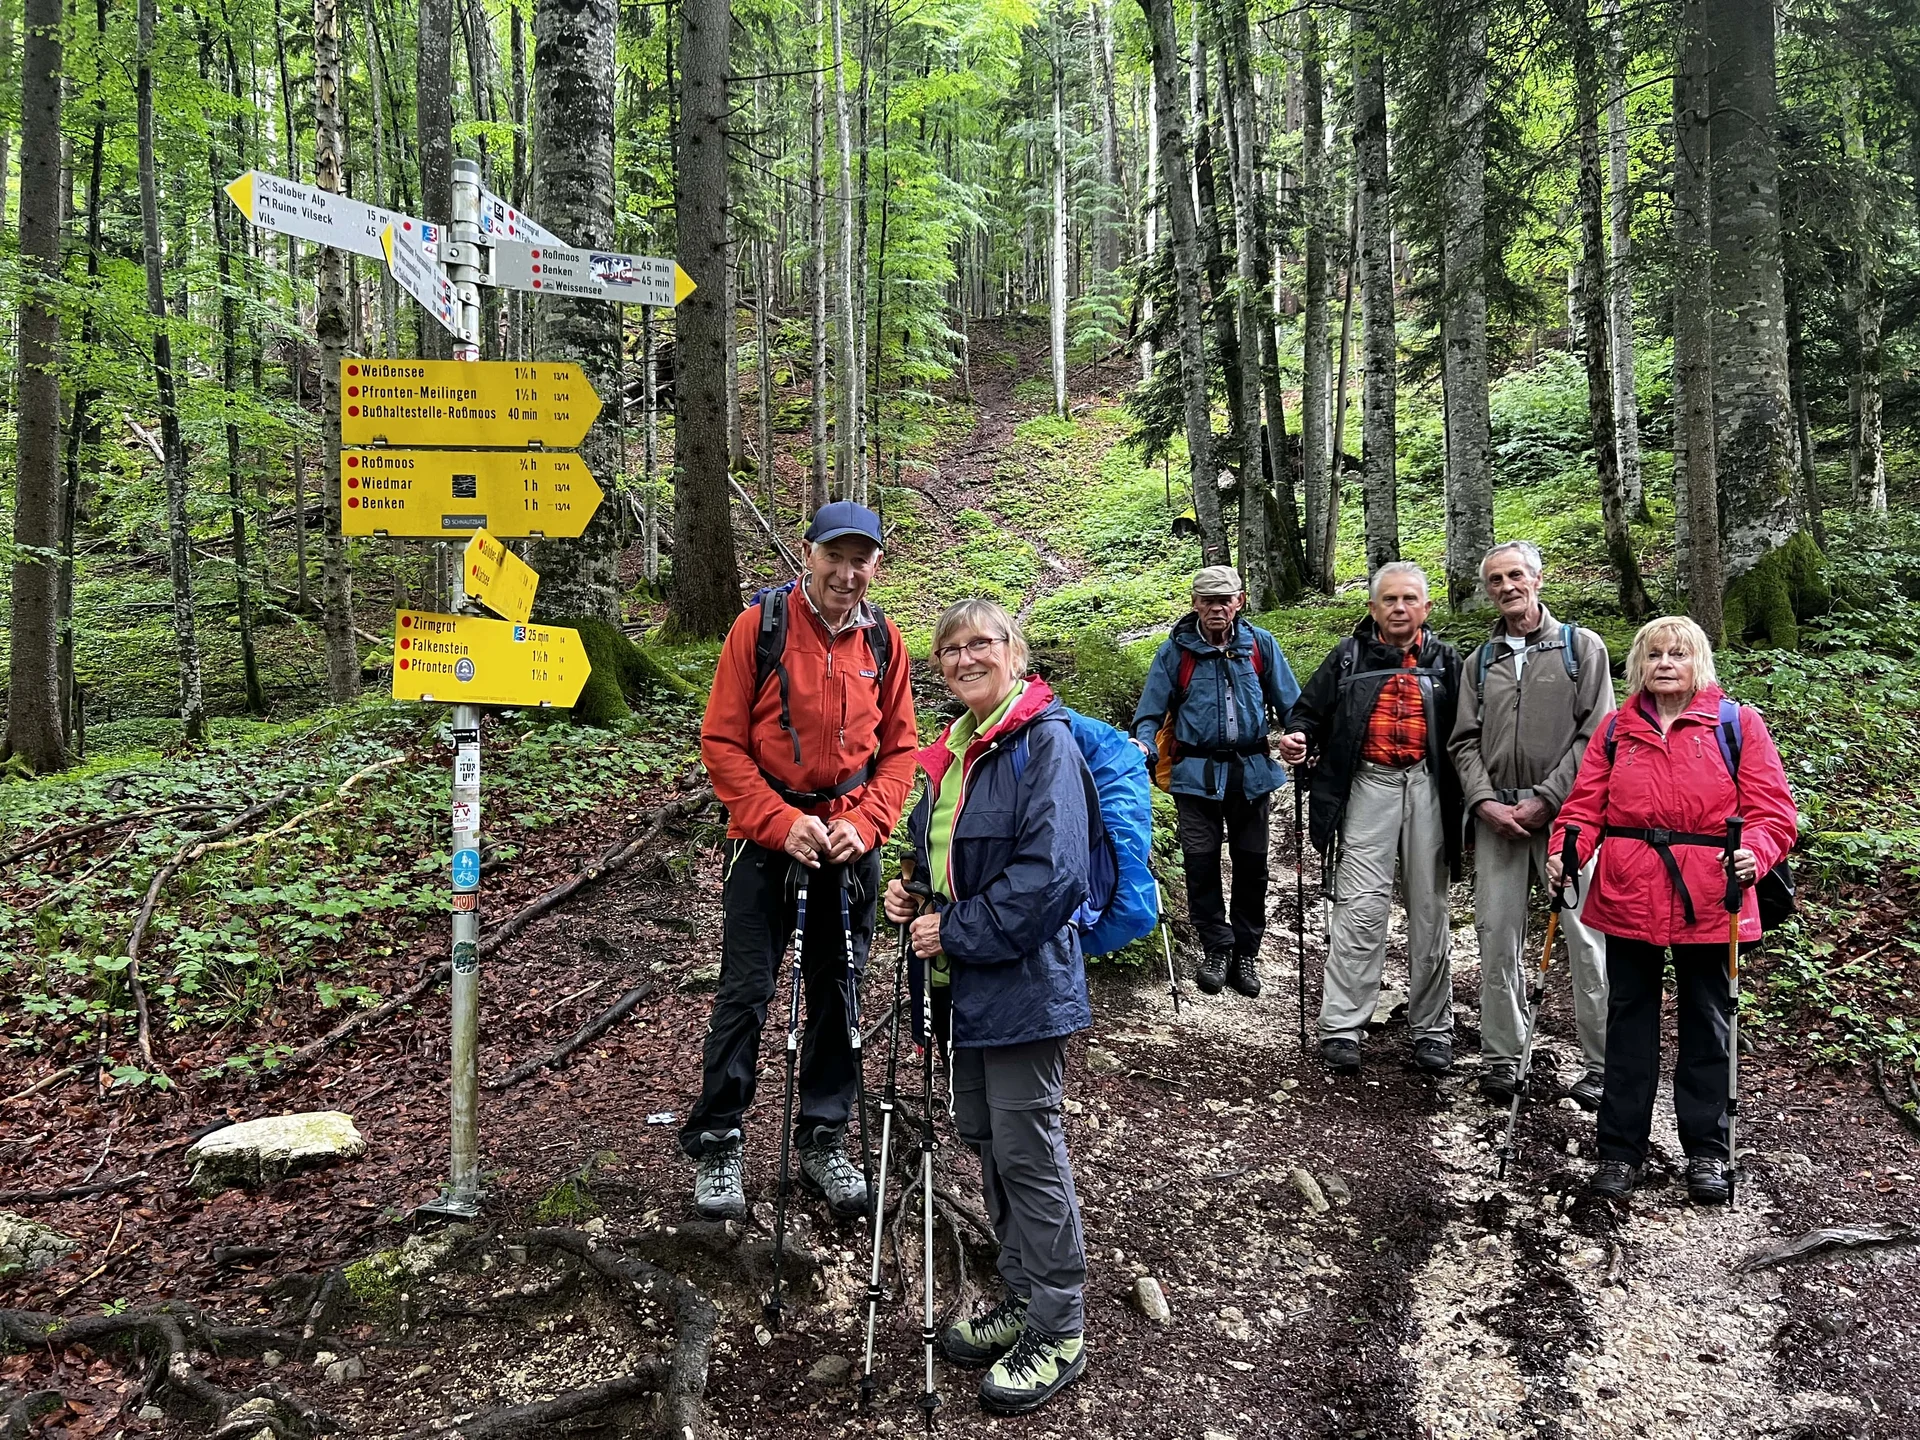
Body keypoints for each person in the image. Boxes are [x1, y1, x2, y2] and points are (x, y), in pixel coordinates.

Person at [883, 598, 1093, 1417]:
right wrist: (910, 894)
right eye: (951, 649)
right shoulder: (956, 752)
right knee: (994, 1148)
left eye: (982, 643)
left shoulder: (1044, 743)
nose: (966, 658)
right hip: (963, 989)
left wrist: (956, 928)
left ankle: (1059, 1325)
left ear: (1015, 652)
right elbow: (939, 856)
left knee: (1029, 1150)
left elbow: (1052, 875)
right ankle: (1019, 1296)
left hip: (1023, 985)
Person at [682, 501, 917, 1223]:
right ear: (806, 553)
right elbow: (721, 741)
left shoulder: (884, 639)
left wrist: (867, 824)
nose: (848, 574)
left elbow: (901, 751)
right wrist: (778, 822)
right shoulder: (762, 626)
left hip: (847, 844)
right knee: (745, 992)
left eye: (862, 560)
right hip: (764, 843)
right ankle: (719, 1139)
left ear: (877, 564)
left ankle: (824, 1136)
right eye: (835, 557)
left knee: (837, 994)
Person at [1548, 616, 1797, 1205]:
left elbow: (1773, 812)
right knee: (1629, 1020)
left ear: (1698, 662)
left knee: (1708, 1023)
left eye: (1677, 654)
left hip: (1711, 894)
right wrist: (1566, 851)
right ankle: (1619, 1151)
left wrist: (1754, 856)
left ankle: (1708, 1153)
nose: (1665, 663)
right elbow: (1584, 808)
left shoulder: (1737, 724)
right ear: (1638, 663)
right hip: (1630, 890)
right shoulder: (1617, 729)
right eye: (1654, 654)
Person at [1279, 562, 1465, 1076]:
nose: (1400, 608)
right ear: (1373, 607)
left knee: (1430, 910)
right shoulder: (1348, 657)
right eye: (1389, 599)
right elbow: (1306, 713)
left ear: (1427, 607)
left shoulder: (1448, 660)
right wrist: (1297, 738)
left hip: (1429, 786)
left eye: (1410, 599)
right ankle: (1341, 1026)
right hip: (1368, 784)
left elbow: (1472, 730)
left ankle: (1433, 1029)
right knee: (1359, 908)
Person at [1448, 541, 1615, 1108]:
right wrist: (1483, 801)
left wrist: (1547, 799)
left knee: (1584, 937)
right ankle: (1502, 1054)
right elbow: (1463, 740)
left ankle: (1603, 1062)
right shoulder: (1480, 660)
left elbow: (1597, 734)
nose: (1506, 587)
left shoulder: (1581, 648)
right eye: (1495, 580)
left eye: (1515, 575)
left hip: (1568, 817)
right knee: (1497, 935)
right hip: (1496, 817)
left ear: (1538, 579)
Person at [1129, 566, 1301, 997]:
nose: (1217, 608)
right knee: (1201, 866)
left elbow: (1291, 704)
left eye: (1225, 599)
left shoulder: (1260, 646)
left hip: (1251, 774)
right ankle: (1216, 947)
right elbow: (1149, 712)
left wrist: (1300, 734)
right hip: (1194, 776)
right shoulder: (1175, 654)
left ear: (1239, 601)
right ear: (1195, 603)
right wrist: (1143, 745)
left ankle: (1246, 951)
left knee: (1251, 867)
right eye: (1207, 600)